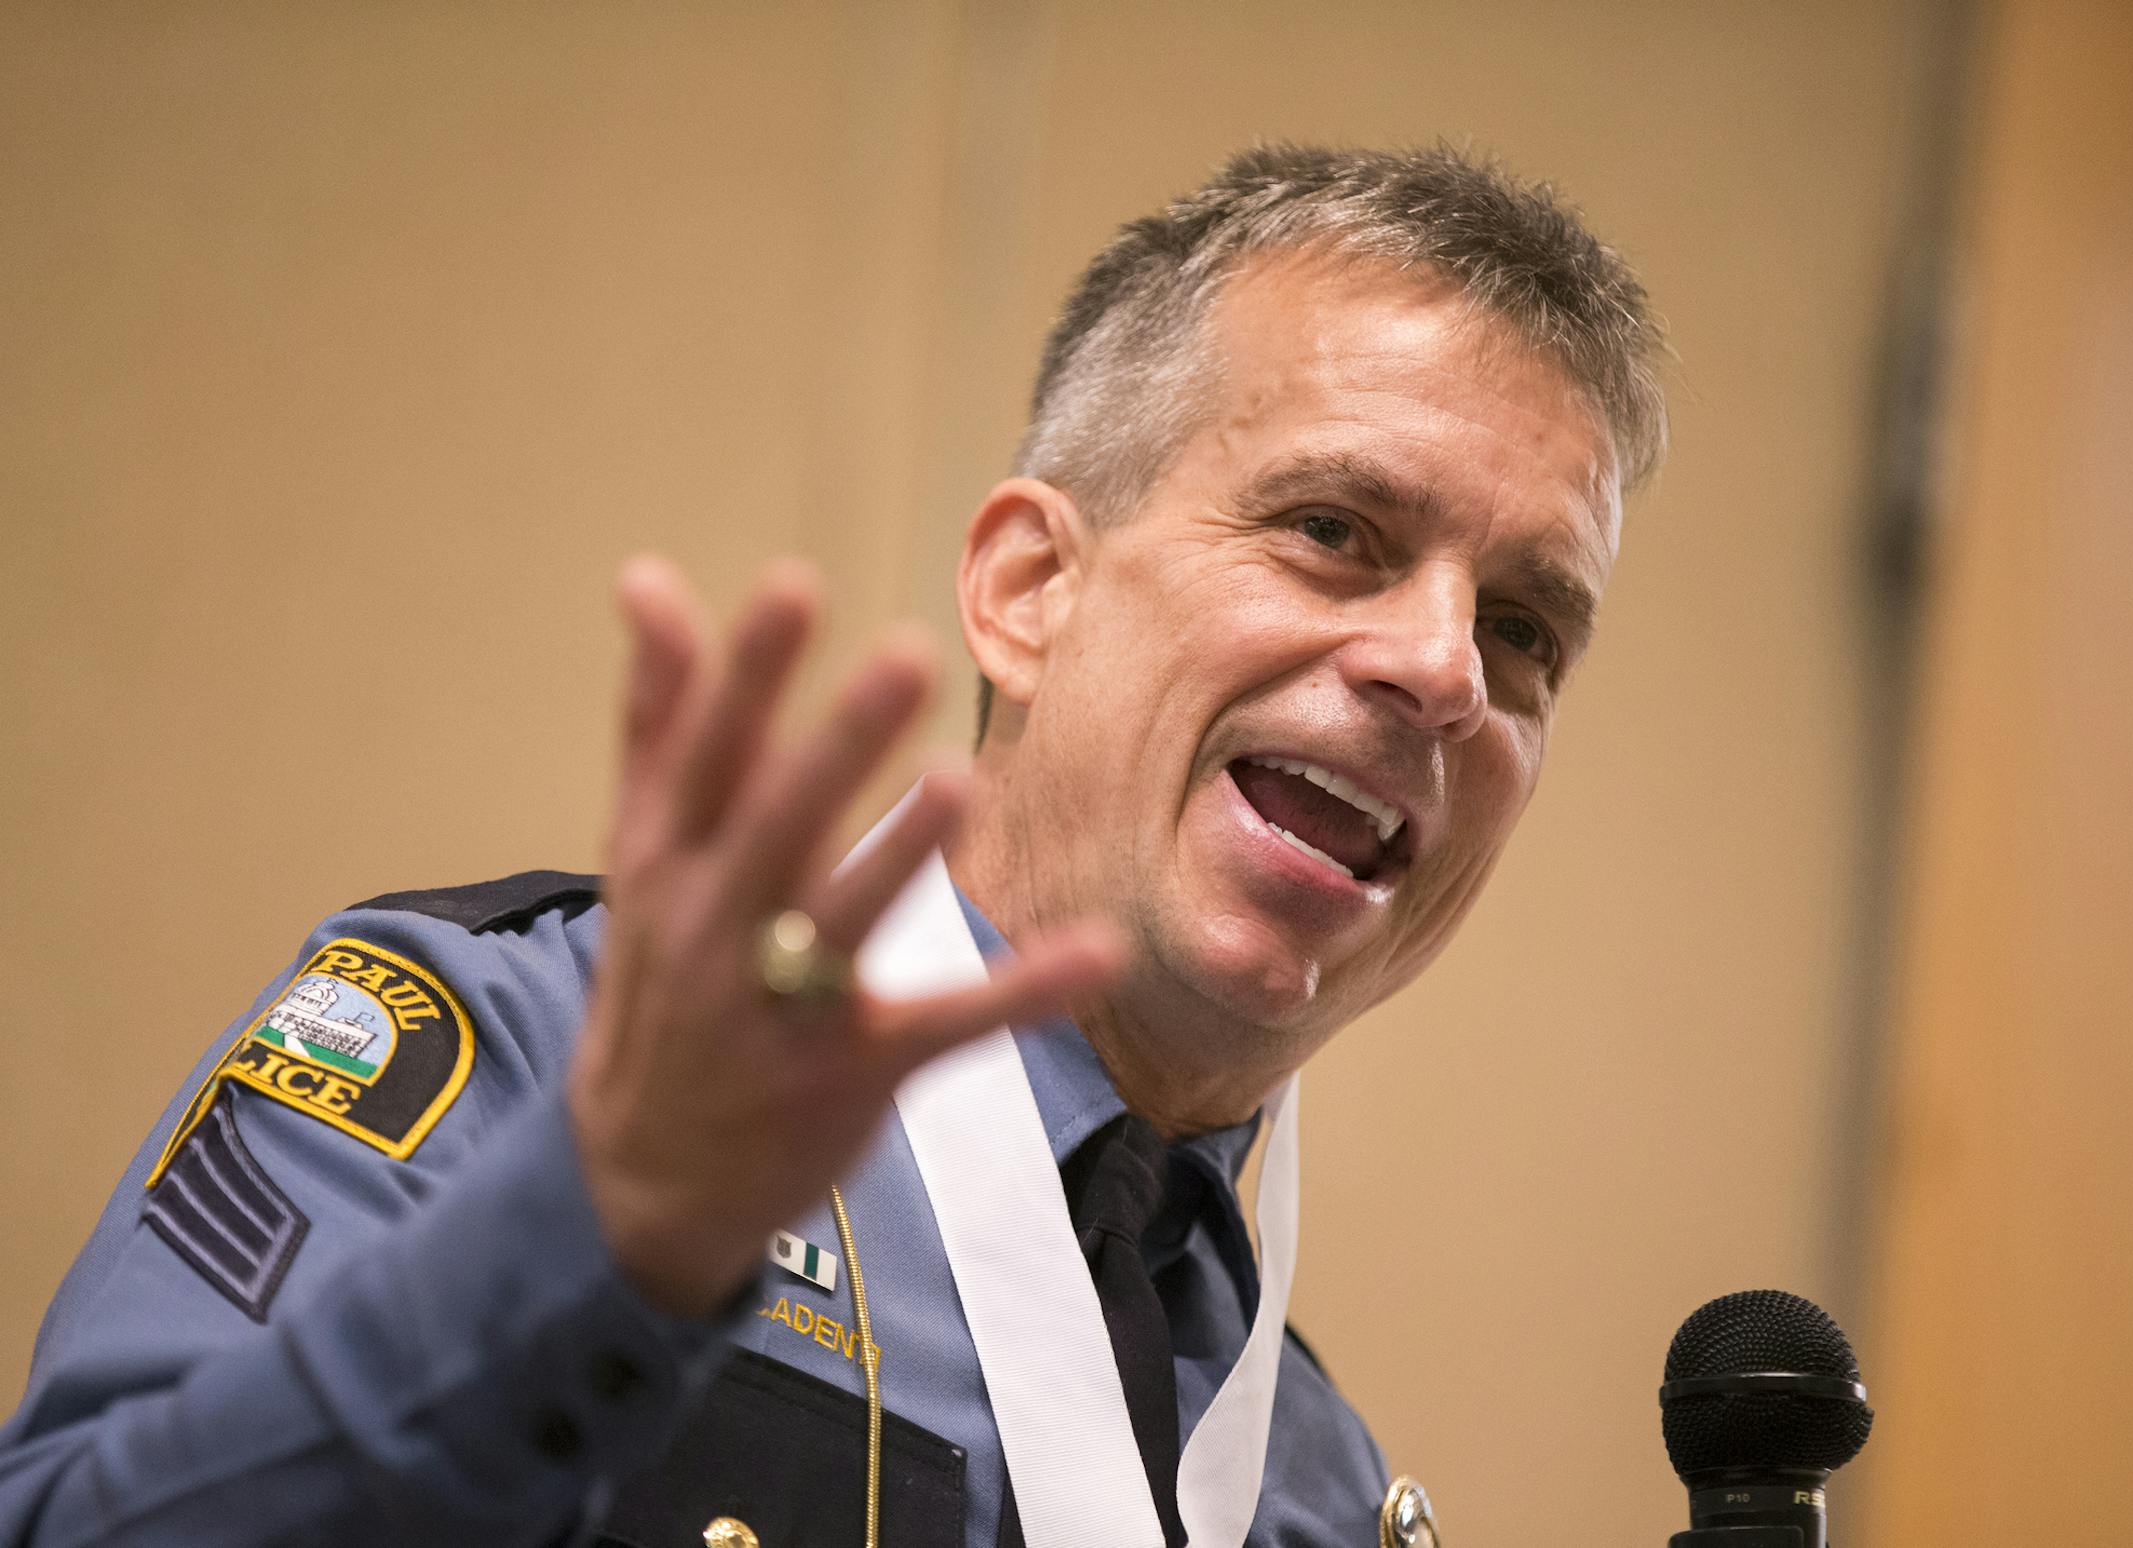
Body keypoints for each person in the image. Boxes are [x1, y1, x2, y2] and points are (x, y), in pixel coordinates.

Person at [0, 142, 1665, 1547]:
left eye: (1526, 630)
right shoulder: (508, 1074)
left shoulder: (1307, 1480)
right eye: (1333, 531)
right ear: (1030, 590)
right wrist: (603, 1248)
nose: (1446, 671)